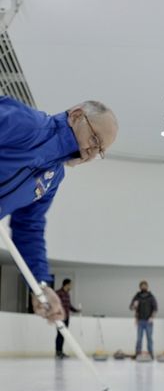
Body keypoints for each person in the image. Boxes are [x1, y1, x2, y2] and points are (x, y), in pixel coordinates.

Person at [0, 96, 118, 321]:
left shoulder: (52, 178)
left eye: (100, 150)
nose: (91, 153)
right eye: (94, 139)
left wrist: (41, 285)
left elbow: (29, 228)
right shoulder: (27, 124)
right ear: (75, 116)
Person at [129, 281, 158, 359]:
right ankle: (137, 353)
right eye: (142, 286)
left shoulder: (151, 297)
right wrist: (134, 306)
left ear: (147, 287)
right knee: (139, 339)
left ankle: (151, 354)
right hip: (140, 321)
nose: (143, 287)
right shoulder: (137, 296)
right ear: (140, 287)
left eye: (145, 286)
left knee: (149, 338)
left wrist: (152, 317)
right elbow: (131, 307)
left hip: (149, 322)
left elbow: (155, 309)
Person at [55, 278, 80, 359]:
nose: (71, 286)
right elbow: (55, 304)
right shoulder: (58, 293)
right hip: (60, 317)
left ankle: (60, 352)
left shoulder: (67, 294)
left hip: (66, 318)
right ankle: (58, 352)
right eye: (70, 284)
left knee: (63, 335)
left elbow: (69, 306)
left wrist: (76, 310)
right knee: (60, 334)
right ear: (67, 284)